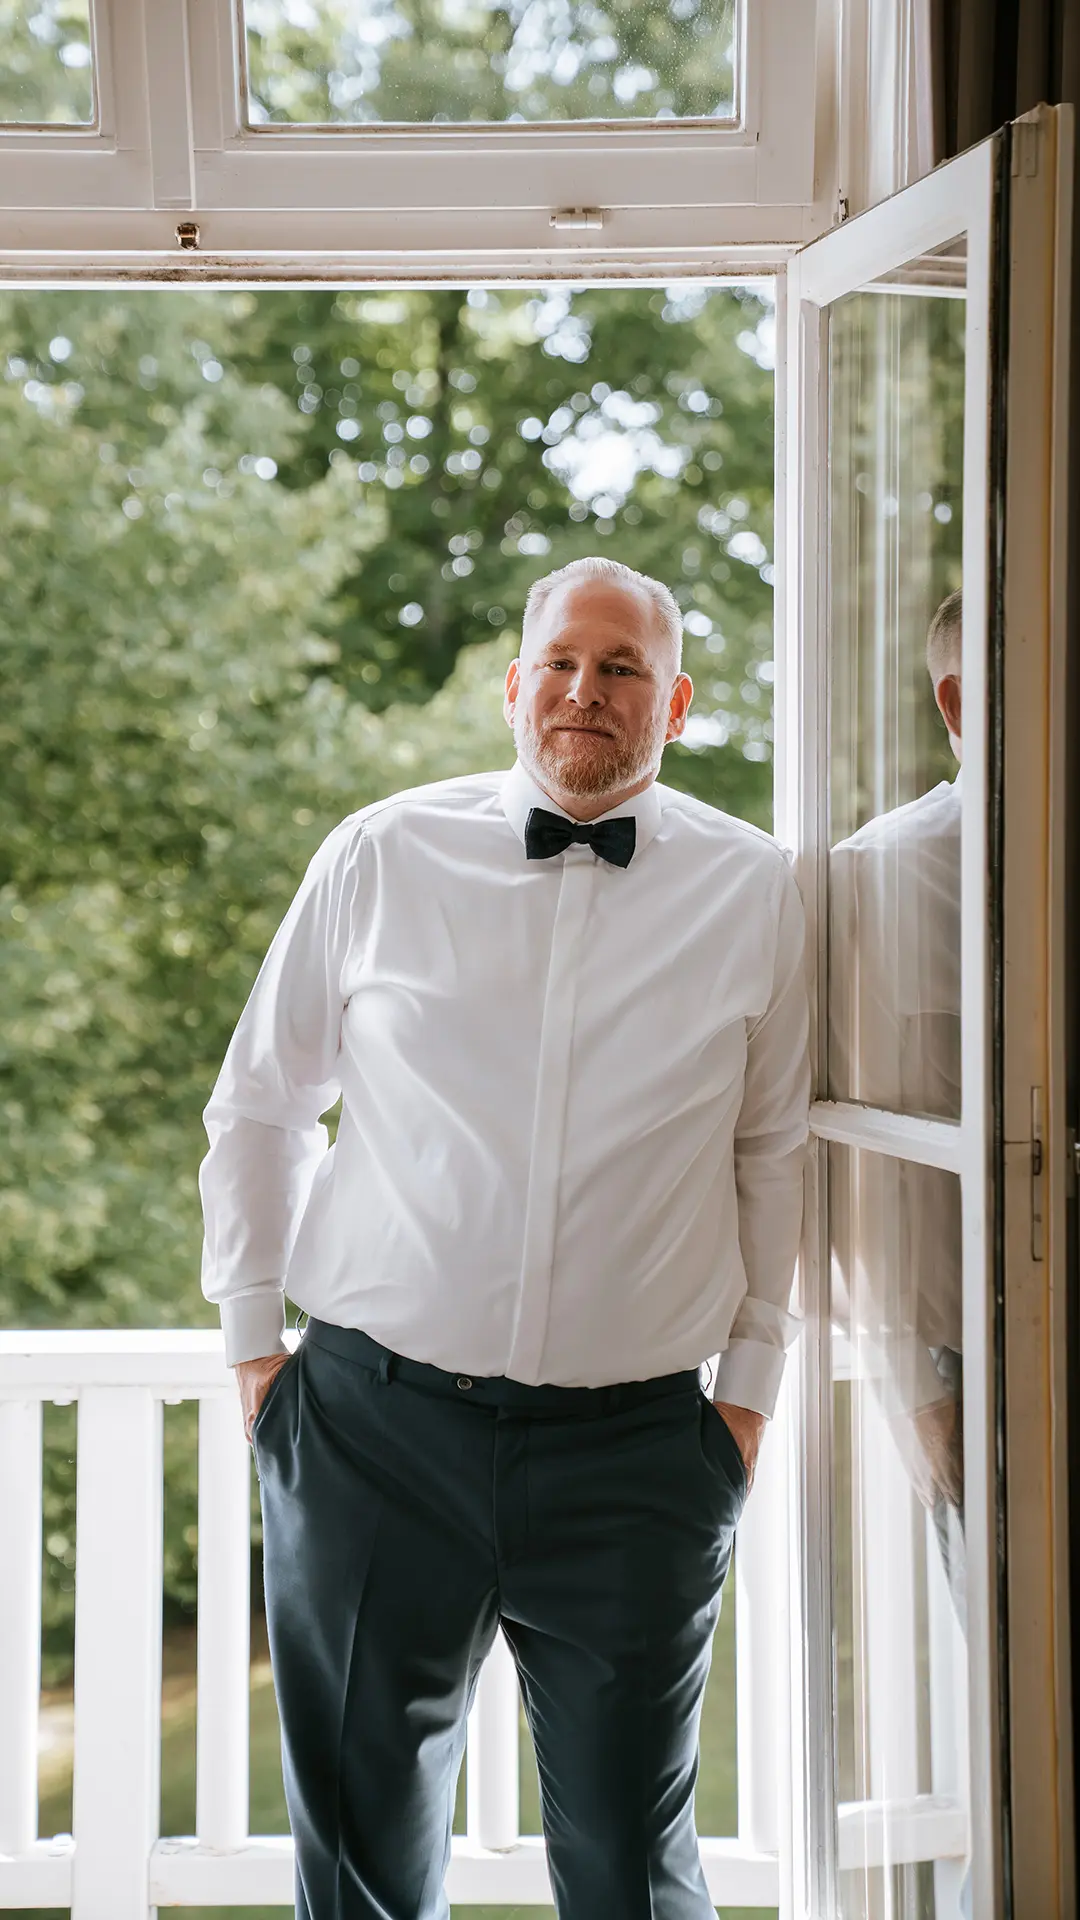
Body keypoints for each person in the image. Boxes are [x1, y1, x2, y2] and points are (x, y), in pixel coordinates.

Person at [198, 554, 810, 1920]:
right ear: (515, 686)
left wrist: (747, 1402)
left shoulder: (757, 888)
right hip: (369, 1437)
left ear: (676, 703)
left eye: (624, 668)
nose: (587, 691)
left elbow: (772, 1151)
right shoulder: (380, 854)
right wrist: (254, 1354)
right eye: (562, 664)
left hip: (638, 1459)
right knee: (358, 1868)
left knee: (635, 1874)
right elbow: (261, 1107)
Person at [829, 584, 965, 1619]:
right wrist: (915, 1392)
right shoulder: (882, 877)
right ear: (958, 704)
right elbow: (855, 1168)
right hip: (985, 1365)